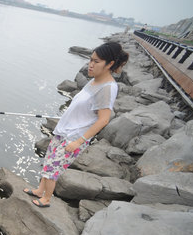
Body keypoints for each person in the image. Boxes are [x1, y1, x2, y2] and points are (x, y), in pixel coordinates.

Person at [23, 42, 129, 207]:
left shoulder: (108, 88)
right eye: (91, 60)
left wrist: (78, 142)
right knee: (48, 162)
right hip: (63, 131)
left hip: (73, 137)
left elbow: (103, 119)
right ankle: (39, 190)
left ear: (110, 64)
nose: (90, 64)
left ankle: (46, 199)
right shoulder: (94, 81)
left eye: (96, 61)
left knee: (53, 170)